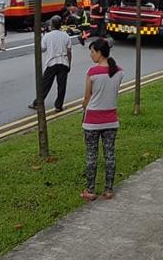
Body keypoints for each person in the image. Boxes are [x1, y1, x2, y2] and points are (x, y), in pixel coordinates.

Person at [81, 38, 123, 201]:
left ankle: (90, 190)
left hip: (92, 120)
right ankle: (109, 190)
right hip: (111, 119)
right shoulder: (119, 72)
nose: (91, 55)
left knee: (92, 155)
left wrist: (84, 107)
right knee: (110, 154)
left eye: (92, 52)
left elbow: (87, 96)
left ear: (99, 53)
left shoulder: (92, 73)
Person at [31, 16, 72, 112]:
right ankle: (59, 105)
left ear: (52, 25)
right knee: (61, 86)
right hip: (63, 62)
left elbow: (42, 49)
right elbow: (69, 51)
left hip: (51, 63)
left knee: (45, 84)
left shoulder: (47, 36)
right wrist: (69, 63)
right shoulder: (65, 35)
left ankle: (38, 102)